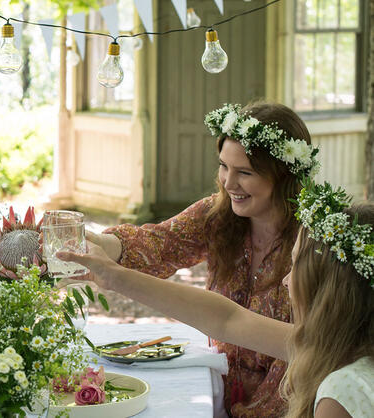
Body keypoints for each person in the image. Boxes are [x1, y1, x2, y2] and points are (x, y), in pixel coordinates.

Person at [59, 180, 374, 418]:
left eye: (296, 268)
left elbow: (229, 320)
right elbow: (228, 320)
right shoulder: (339, 348)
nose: (287, 280)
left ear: (331, 291)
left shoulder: (342, 390)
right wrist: (114, 276)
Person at [86, 101, 319, 416]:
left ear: (284, 175)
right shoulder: (218, 215)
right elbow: (158, 244)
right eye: (224, 166)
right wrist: (91, 244)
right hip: (217, 391)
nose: (228, 182)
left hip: (288, 403)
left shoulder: (317, 243)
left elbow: (312, 353)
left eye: (244, 172)